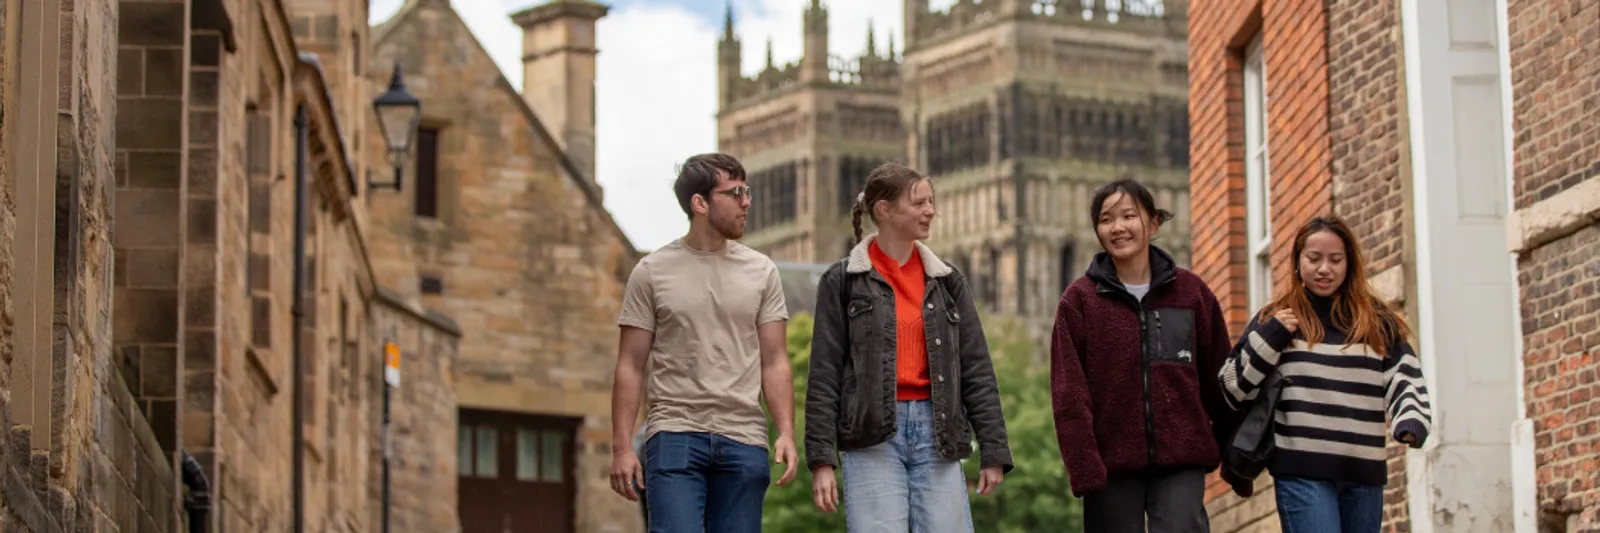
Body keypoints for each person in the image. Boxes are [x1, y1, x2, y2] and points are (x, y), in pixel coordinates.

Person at [804, 162, 1012, 533]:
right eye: (919, 203)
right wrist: (821, 459)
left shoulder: (948, 281)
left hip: (940, 433)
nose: (931, 210)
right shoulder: (841, 282)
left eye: (932, 201)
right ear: (884, 210)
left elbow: (977, 368)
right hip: (871, 438)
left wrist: (993, 451)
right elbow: (824, 374)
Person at [608, 153, 798, 533]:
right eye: (736, 193)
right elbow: (630, 365)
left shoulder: (762, 272)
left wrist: (786, 432)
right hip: (674, 435)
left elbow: (774, 360)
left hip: (744, 438)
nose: (747, 201)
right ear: (700, 203)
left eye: (748, 191)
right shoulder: (651, 272)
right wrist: (622, 447)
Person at [1218, 215, 1432, 533]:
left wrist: (1411, 422)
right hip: (1301, 472)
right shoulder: (1276, 319)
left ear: (1349, 264)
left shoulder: (1376, 322)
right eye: (1314, 259)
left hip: (1364, 473)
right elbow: (1231, 386)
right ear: (1296, 262)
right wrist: (1271, 338)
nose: (1324, 269)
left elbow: (1405, 376)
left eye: (1335, 260)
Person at [1049, 178, 1234, 532]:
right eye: (1106, 219)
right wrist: (1084, 467)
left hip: (1183, 458)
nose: (1118, 227)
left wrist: (1234, 452)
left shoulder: (1192, 293)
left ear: (1152, 223)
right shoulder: (1080, 301)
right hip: (1110, 466)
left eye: (1128, 216)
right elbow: (1068, 393)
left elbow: (1219, 378)